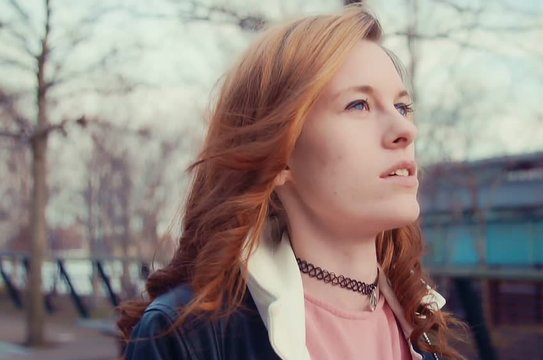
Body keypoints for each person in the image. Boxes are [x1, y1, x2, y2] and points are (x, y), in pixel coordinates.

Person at [118, 5, 464, 360]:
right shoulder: (189, 337)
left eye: (402, 107)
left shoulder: (421, 326)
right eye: (359, 105)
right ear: (280, 153)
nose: (406, 130)